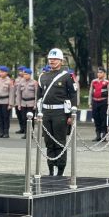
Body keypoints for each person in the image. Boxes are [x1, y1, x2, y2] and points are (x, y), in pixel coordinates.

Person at [37, 48, 77, 176]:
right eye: (50, 59)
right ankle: (50, 169)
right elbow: (39, 97)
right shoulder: (43, 76)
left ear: (61, 61)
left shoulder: (67, 76)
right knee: (49, 143)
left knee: (59, 142)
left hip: (60, 113)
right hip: (46, 113)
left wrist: (71, 114)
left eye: (55, 59)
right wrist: (38, 113)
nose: (52, 61)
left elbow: (73, 96)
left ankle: (60, 170)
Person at [88, 67, 109, 141]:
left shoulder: (107, 82)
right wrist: (90, 103)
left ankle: (104, 135)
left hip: (103, 102)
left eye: (101, 72)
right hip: (95, 102)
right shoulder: (94, 81)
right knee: (96, 118)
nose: (99, 74)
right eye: (98, 72)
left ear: (104, 74)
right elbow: (90, 92)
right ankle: (98, 135)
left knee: (103, 118)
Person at [17, 68, 38, 139]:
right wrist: (19, 104)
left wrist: (35, 104)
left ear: (30, 75)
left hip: (31, 103)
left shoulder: (34, 82)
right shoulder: (21, 82)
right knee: (24, 118)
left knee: (31, 119)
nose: (25, 75)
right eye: (24, 74)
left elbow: (36, 94)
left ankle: (31, 133)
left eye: (26, 74)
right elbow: (19, 94)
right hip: (23, 103)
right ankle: (26, 133)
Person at [14, 66, 26, 134]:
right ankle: (21, 128)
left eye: (21, 71)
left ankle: (25, 129)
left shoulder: (27, 79)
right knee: (19, 115)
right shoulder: (17, 79)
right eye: (19, 71)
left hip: (24, 100)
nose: (20, 72)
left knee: (24, 116)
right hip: (17, 99)